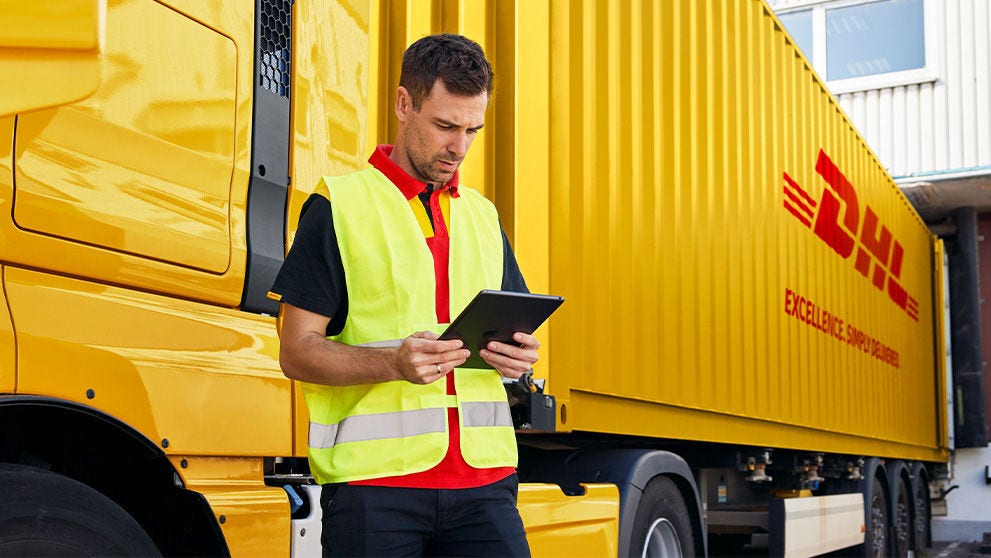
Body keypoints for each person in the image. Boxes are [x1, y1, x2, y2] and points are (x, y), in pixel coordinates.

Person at [270, 33, 537, 557]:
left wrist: (519, 358)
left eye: (472, 129)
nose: (459, 147)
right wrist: (393, 363)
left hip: (486, 486)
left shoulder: (483, 216)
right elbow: (296, 350)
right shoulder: (339, 207)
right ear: (403, 104)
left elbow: (513, 337)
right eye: (444, 126)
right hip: (377, 491)